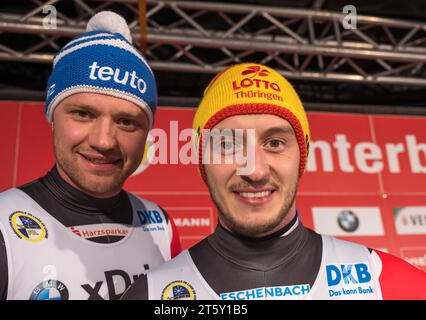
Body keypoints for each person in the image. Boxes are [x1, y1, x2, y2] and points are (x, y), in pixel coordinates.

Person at [122, 63, 426, 300]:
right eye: (228, 145)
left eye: (275, 143)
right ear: (203, 160)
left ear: (301, 155)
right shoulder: (150, 294)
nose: (255, 171)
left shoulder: (388, 282)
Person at [0, 11, 181, 300]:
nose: (104, 140)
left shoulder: (161, 226)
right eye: (83, 114)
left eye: (127, 122)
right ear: (52, 115)